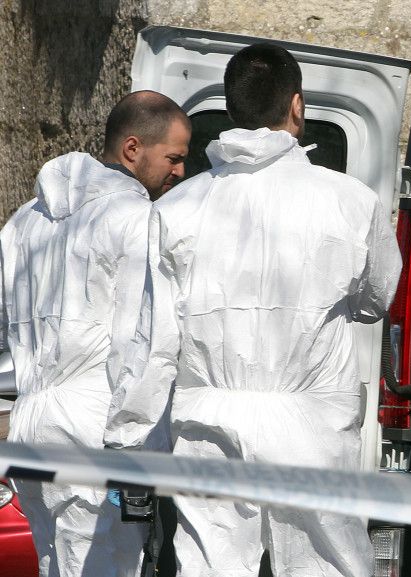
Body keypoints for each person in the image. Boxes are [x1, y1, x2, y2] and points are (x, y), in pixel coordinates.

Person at [103, 43, 400, 577]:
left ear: (232, 110)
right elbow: (379, 298)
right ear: (297, 105)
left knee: (211, 567)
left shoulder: (175, 208)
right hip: (312, 424)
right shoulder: (351, 201)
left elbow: (150, 341)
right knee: (325, 567)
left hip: (208, 422)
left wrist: (128, 439)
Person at [2, 90, 190, 577]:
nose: (180, 172)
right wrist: (134, 448)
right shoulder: (135, 221)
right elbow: (148, 344)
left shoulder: (23, 223)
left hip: (32, 427)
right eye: (173, 157)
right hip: (96, 431)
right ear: (133, 149)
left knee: (52, 565)